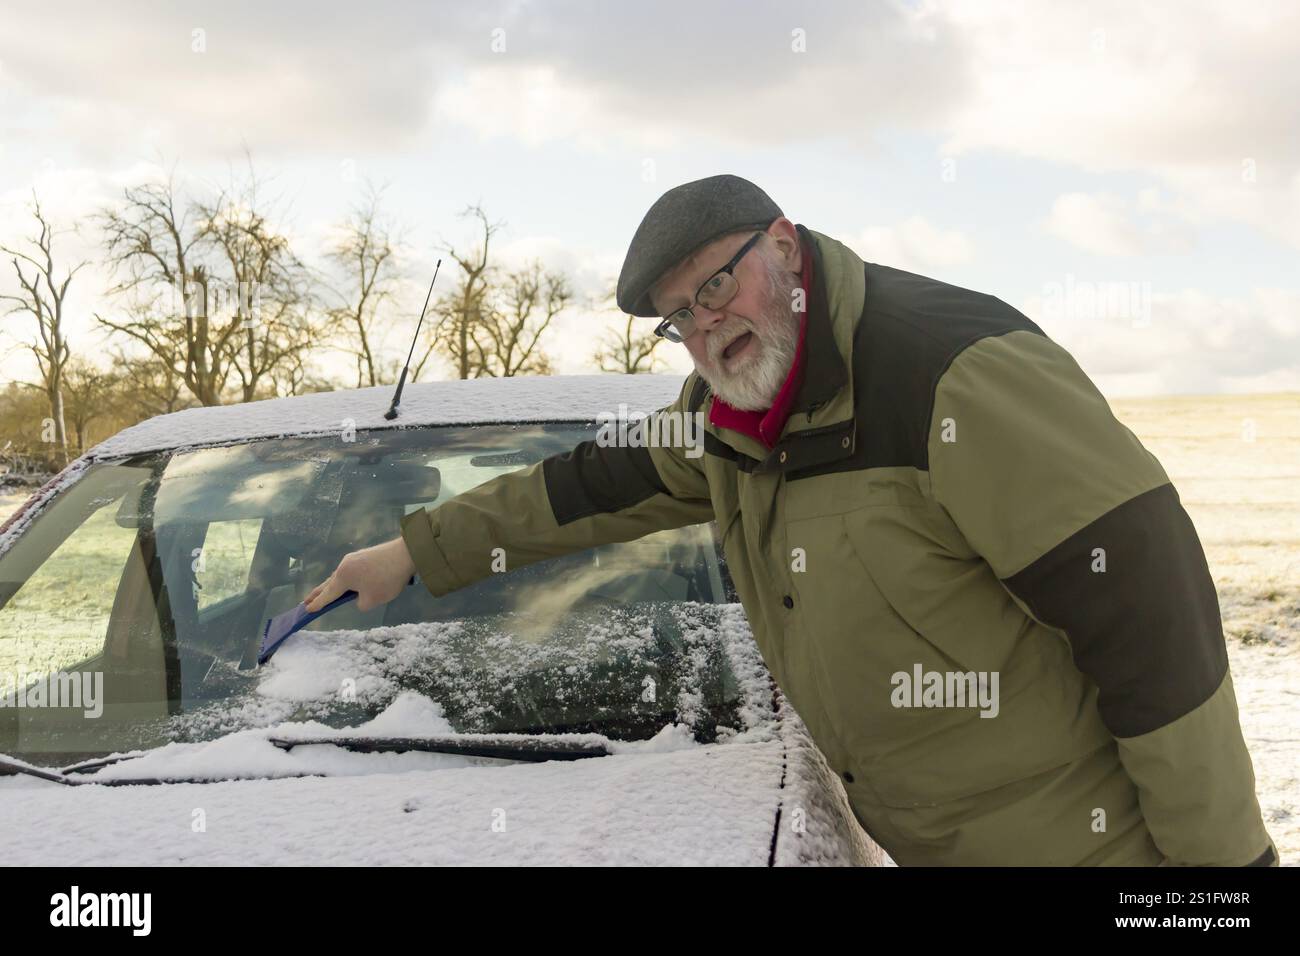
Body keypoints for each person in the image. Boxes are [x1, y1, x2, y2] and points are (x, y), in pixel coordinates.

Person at [307, 174, 1277, 867]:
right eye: (678, 315)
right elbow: (588, 486)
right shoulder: (729, 416)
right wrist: (409, 550)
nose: (705, 324)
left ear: (782, 242)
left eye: (717, 283)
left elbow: (1153, 615)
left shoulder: (950, 372)